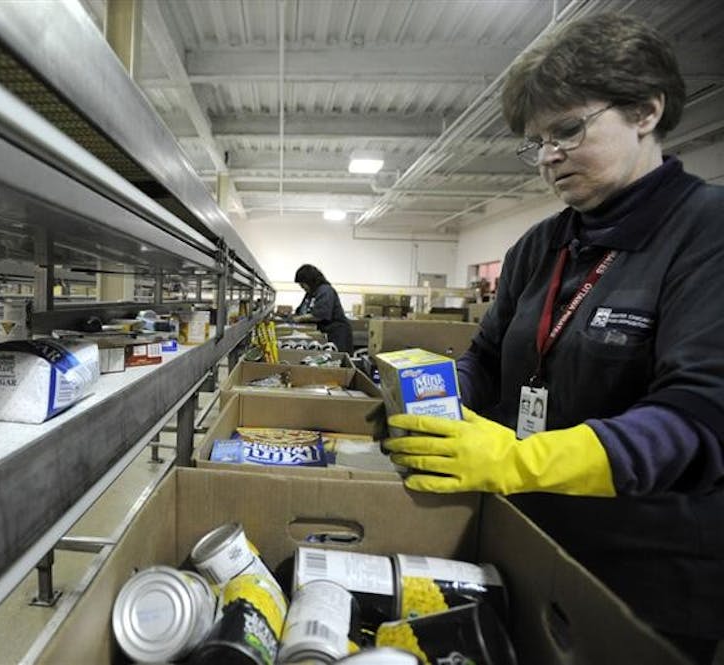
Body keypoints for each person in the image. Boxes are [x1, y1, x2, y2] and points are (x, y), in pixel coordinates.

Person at [383, 13, 723, 664]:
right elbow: (486, 362)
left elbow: (695, 421)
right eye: (536, 142)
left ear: (646, 111)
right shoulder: (537, 247)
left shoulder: (706, 232)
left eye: (567, 130)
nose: (547, 157)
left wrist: (518, 460)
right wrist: (423, 397)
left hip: (646, 575)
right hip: (527, 541)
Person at [291, 264, 353, 353]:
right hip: (324, 333)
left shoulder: (325, 290)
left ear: (310, 280)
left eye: (302, 284)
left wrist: (300, 318)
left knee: (336, 359)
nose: (302, 287)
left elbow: (320, 314)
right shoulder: (311, 293)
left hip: (336, 334)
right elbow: (302, 310)